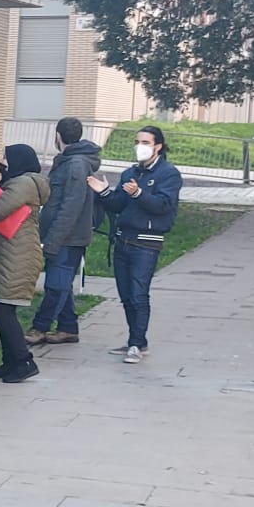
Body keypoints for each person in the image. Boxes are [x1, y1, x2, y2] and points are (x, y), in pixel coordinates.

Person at [89, 126, 182, 364]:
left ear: (158, 146)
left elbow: (163, 205)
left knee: (139, 294)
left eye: (145, 142)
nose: (140, 146)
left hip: (146, 243)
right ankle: (136, 340)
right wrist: (104, 192)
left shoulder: (168, 174)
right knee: (127, 296)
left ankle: (136, 343)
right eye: (137, 141)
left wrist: (139, 193)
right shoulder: (130, 172)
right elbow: (119, 204)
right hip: (123, 239)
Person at [29, 117, 99, 345]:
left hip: (68, 239)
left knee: (55, 285)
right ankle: (68, 328)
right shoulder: (67, 161)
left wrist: (53, 240)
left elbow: (71, 207)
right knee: (62, 283)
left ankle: (40, 327)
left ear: (57, 135)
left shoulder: (75, 164)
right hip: (61, 236)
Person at [0, 145, 48, 385]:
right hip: (10, 253)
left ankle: (24, 361)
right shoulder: (21, 182)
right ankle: (10, 361)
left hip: (17, 255)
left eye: (5, 158)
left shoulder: (23, 184)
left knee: (1, 309)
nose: (2, 162)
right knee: (2, 308)